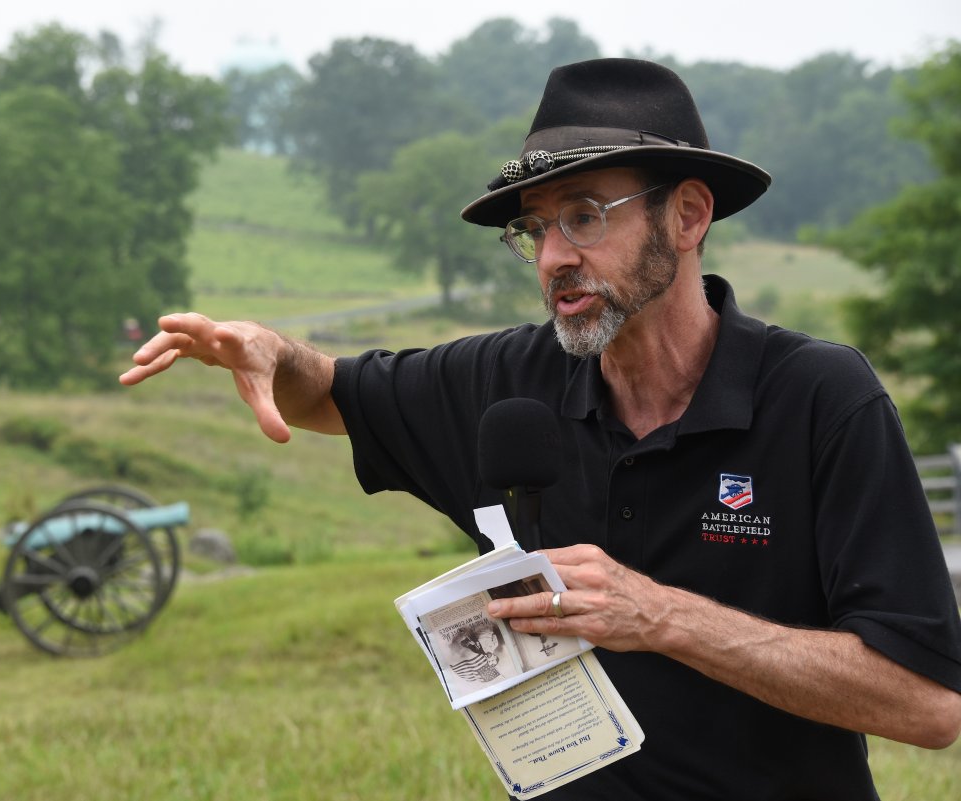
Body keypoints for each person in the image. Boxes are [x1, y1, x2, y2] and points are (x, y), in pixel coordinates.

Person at [121, 58, 961, 799]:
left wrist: (661, 615)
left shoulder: (820, 398)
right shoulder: (504, 384)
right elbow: (331, 395)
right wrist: (272, 349)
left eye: (586, 214)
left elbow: (927, 704)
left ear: (689, 215)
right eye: (534, 227)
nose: (554, 254)